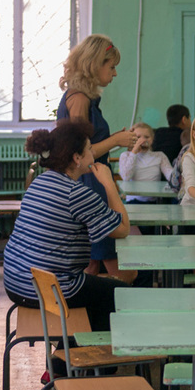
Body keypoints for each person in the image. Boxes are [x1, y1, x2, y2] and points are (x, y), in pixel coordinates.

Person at [4, 120, 133, 331]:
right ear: (77, 158)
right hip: (50, 289)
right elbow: (123, 229)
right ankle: (90, 350)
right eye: (89, 149)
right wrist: (109, 183)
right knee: (120, 292)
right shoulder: (77, 194)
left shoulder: (40, 182)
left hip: (16, 282)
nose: (93, 154)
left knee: (97, 288)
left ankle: (70, 345)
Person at [56, 34, 137, 278]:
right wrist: (115, 141)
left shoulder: (83, 98)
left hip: (92, 179)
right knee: (120, 270)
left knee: (92, 263)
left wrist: (113, 139)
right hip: (89, 181)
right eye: (111, 67)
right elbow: (79, 154)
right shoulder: (79, 99)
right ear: (94, 65)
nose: (115, 73)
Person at [118, 123, 174, 202]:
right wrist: (134, 151)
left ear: (152, 138)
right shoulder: (125, 155)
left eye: (147, 137)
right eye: (138, 137)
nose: (143, 140)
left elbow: (171, 175)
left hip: (154, 200)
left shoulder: (159, 156)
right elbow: (126, 177)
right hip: (133, 201)